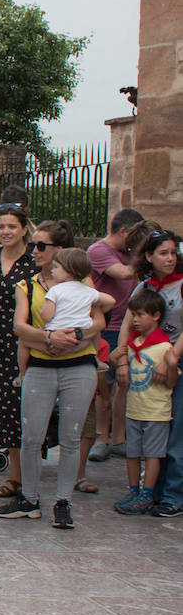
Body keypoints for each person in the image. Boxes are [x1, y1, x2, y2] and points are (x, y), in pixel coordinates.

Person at [0, 226, 110, 528]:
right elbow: (19, 327)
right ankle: (30, 498)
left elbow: (99, 320)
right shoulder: (27, 285)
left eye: (41, 246)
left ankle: (64, 501)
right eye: (33, 245)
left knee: (71, 437)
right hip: (40, 366)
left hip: (78, 365)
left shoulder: (83, 282)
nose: (34, 251)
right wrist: (49, 338)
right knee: (31, 437)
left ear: (58, 250)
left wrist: (71, 338)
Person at [0, 204, 38, 499]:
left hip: (26, 343)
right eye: (1, 227)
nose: (6, 232)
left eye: (12, 226)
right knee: (4, 411)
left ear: (24, 229)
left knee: (24, 411)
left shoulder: (34, 262)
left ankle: (26, 479)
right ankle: (15, 478)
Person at [87, 208, 148, 461]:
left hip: (130, 326)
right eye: (135, 236)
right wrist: (146, 252)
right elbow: (123, 273)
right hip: (108, 327)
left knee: (125, 385)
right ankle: (102, 438)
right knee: (106, 386)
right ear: (124, 231)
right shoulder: (98, 250)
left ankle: (118, 439)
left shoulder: (128, 254)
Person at [110, 289, 176, 515]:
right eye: (133, 315)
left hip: (156, 412)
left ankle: (147, 495)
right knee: (132, 453)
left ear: (156, 316)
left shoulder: (165, 347)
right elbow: (114, 357)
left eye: (139, 315)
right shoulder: (132, 344)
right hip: (134, 409)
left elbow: (172, 381)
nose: (134, 320)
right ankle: (133, 491)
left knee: (152, 455)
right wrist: (117, 356)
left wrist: (172, 365)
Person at [133, 230, 183, 516]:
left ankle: (173, 494)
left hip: (175, 361)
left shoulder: (181, 285)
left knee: (176, 432)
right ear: (149, 256)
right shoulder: (146, 287)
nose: (170, 258)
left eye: (173, 252)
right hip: (150, 364)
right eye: (163, 253)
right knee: (156, 428)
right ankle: (155, 489)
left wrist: (172, 356)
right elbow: (132, 319)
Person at [16, 246, 98, 384]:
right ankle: (98, 359)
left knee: (22, 341)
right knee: (94, 330)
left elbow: (46, 316)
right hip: (79, 344)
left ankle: (22, 373)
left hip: (51, 344)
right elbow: (108, 304)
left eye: (41, 245)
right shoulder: (87, 288)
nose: (34, 250)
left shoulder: (56, 290)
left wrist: (50, 336)